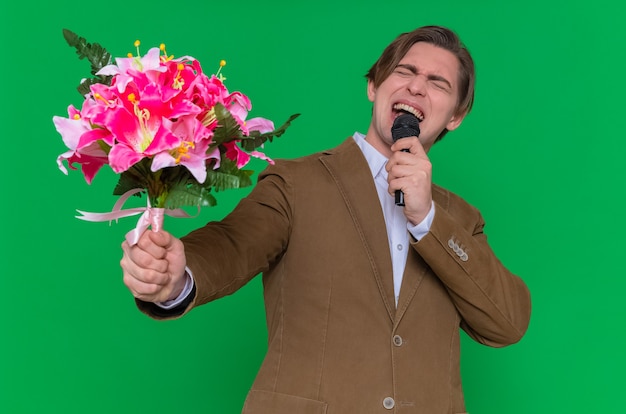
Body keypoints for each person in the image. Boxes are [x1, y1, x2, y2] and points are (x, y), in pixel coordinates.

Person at [120, 25, 531, 413]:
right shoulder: (296, 182)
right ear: (374, 86)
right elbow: (234, 243)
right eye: (405, 71)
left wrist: (427, 218)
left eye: (438, 83)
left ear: (455, 116)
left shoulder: (460, 218)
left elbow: (507, 322)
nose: (417, 86)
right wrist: (178, 276)